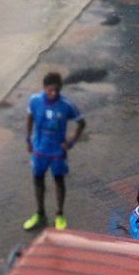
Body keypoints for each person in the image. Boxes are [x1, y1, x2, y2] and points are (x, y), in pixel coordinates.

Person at [23, 72, 85, 231]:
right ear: (44, 88)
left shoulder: (66, 105)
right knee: (38, 180)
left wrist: (70, 142)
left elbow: (81, 122)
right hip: (39, 151)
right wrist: (28, 139)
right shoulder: (35, 101)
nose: (54, 93)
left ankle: (59, 214)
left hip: (57, 152)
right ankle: (40, 213)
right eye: (51, 90)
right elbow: (29, 118)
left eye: (57, 90)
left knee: (59, 180)